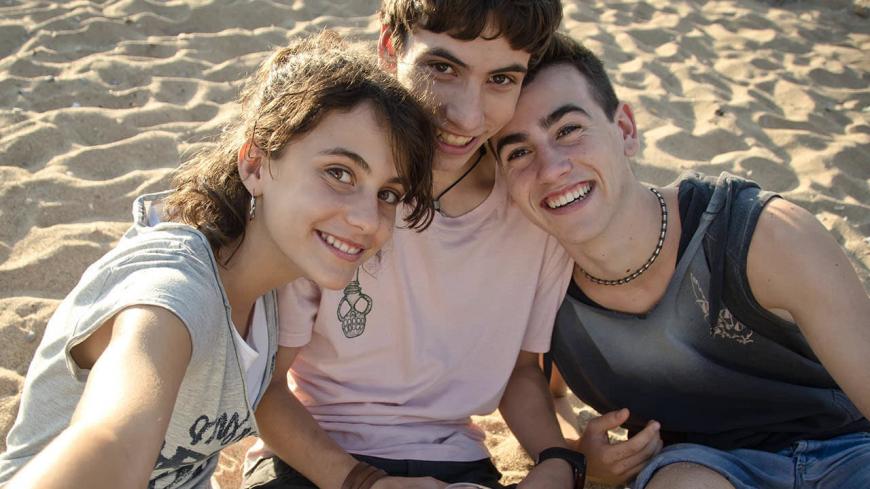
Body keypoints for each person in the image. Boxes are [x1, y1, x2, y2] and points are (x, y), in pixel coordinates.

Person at [0, 32, 436, 489]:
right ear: (255, 165)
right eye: (339, 173)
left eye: (388, 194)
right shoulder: (173, 290)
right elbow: (112, 440)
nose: (368, 219)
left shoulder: (269, 294)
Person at [492, 32, 870, 489]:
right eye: (519, 152)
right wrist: (577, 456)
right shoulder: (542, 281)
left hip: (846, 449)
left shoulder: (761, 236)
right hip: (699, 467)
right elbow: (532, 378)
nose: (551, 168)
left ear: (625, 130)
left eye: (568, 130)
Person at [241, 2, 587, 489]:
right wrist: (366, 483)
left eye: (501, 79)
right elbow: (265, 388)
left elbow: (520, 370)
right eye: (442, 68)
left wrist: (556, 459)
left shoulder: (533, 208)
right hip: (315, 455)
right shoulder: (334, 198)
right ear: (389, 46)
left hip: (456, 457)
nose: (467, 116)